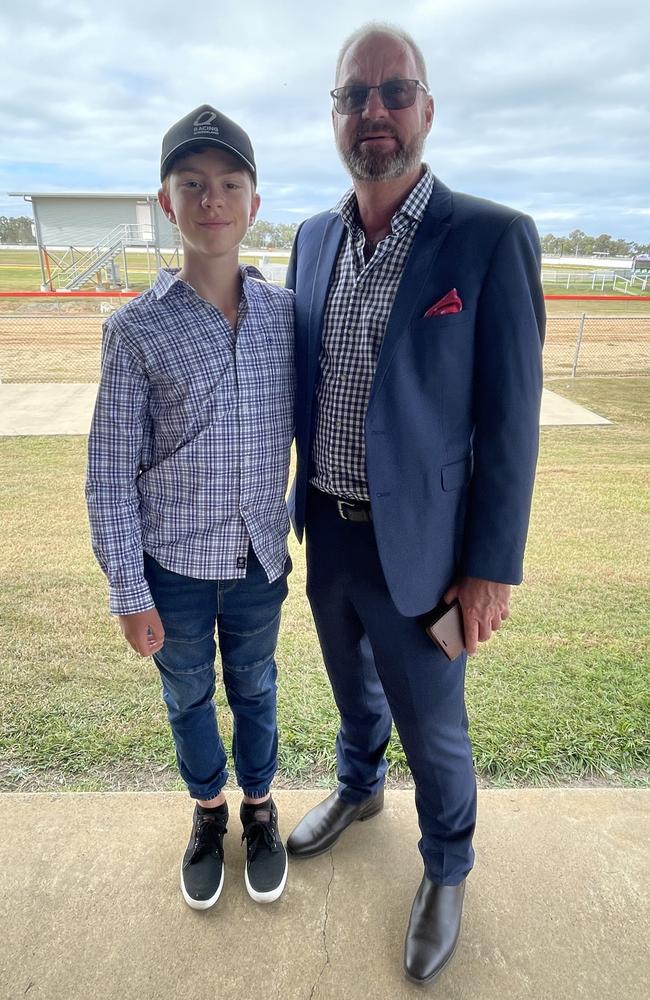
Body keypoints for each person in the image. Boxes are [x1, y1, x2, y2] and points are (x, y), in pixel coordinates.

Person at [286, 23, 545, 985]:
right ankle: (359, 790)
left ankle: (448, 867)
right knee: (351, 692)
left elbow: (512, 424)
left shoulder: (490, 239)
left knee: (435, 727)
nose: (375, 112)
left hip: (430, 553)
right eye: (355, 95)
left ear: (427, 108)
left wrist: (491, 567)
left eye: (396, 92)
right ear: (336, 115)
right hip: (331, 533)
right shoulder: (312, 240)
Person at [86, 105, 294, 909]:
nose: (213, 201)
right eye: (193, 185)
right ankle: (210, 812)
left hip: (258, 560)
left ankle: (261, 807)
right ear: (167, 203)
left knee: (257, 687)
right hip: (169, 567)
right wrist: (127, 591)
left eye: (230, 184)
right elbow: (108, 469)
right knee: (188, 695)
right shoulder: (134, 329)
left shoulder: (284, 315)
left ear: (253, 203)